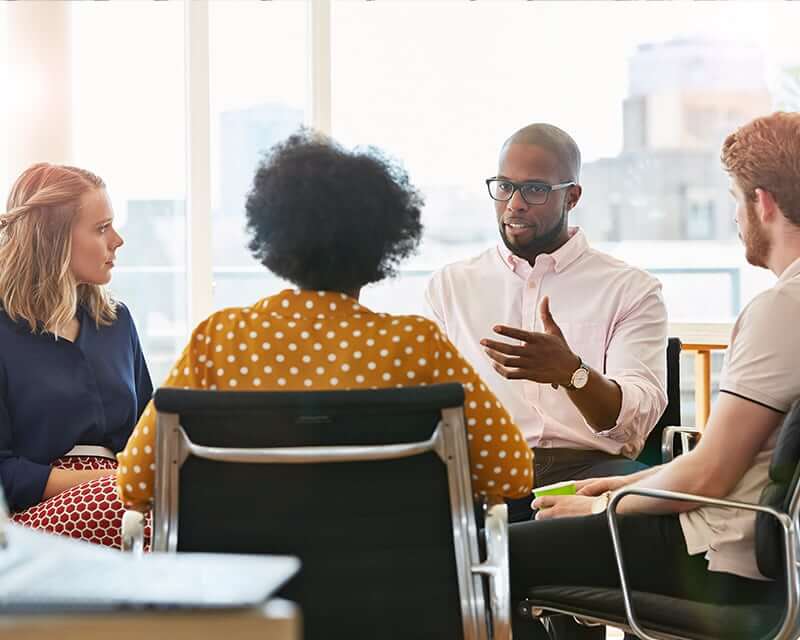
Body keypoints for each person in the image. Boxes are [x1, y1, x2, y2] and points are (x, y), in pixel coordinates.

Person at [117, 130, 533, 511]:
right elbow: (513, 473)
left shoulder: (221, 340)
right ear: (383, 245)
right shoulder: (415, 345)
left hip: (249, 582)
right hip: (394, 583)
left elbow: (136, 480)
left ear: (274, 236)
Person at [509, 111, 800, 639]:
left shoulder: (781, 309)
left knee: (490, 558)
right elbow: (727, 457)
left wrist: (599, 506)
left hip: (714, 553)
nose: (735, 219)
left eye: (735, 200)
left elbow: (709, 476)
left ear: (763, 203)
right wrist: (625, 482)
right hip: (745, 541)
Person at [425, 123, 668, 524]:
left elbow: (633, 428)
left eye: (534, 189)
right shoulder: (450, 286)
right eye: (504, 186)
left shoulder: (631, 289)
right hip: (482, 476)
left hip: (588, 473)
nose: (514, 204)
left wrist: (572, 374)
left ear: (571, 196)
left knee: (648, 517)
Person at [0, 163, 153, 548]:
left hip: (124, 496)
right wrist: (113, 482)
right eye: (101, 228)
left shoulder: (117, 322)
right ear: (53, 240)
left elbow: (150, 435)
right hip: (35, 512)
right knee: (135, 512)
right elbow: (4, 473)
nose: (117, 240)